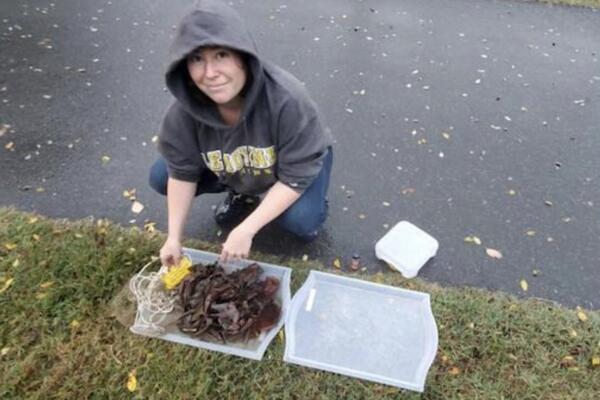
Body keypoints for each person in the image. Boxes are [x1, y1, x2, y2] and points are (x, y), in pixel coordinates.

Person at [149, 0, 333, 267]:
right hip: (238, 165)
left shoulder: (287, 99)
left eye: (221, 55)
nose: (210, 73)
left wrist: (247, 229)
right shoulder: (183, 112)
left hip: (297, 164)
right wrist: (173, 238)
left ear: (243, 57)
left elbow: (297, 174)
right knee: (160, 176)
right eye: (197, 59)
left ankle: (306, 203)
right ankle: (243, 191)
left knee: (301, 222)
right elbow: (181, 172)